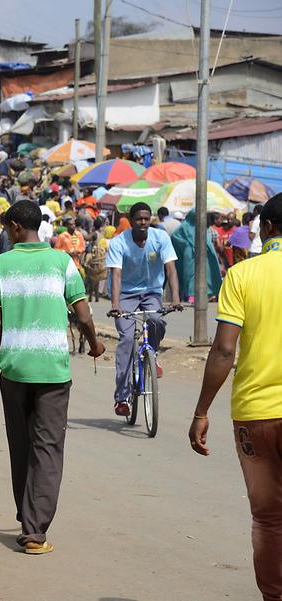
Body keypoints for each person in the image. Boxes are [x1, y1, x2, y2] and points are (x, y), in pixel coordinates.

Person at [0, 200, 104, 555]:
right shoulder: (62, 262)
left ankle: (27, 516)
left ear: (15, 228)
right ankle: (35, 530)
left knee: (21, 446)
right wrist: (95, 344)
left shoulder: (1, 265)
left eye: (8, 227)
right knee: (48, 448)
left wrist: (2, 351)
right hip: (52, 370)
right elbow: (82, 315)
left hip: (14, 369)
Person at [188, 193, 282, 601]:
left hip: (256, 414)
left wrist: (201, 411)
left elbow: (225, 349)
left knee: (268, 520)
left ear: (264, 228)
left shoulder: (242, 275)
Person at [106, 202, 182, 416]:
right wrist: (115, 305)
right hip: (126, 294)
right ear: (131, 221)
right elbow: (116, 276)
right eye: (139, 219)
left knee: (157, 321)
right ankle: (121, 397)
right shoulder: (118, 242)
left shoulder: (161, 238)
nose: (143, 222)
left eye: (147, 218)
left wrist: (175, 298)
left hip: (152, 292)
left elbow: (171, 269)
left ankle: (152, 353)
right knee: (127, 339)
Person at [171, 209, 222, 303]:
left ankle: (204, 294)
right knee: (190, 275)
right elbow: (175, 236)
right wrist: (187, 245)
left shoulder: (203, 228)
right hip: (190, 257)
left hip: (203, 257)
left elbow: (208, 243)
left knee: (206, 275)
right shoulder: (184, 227)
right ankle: (190, 295)